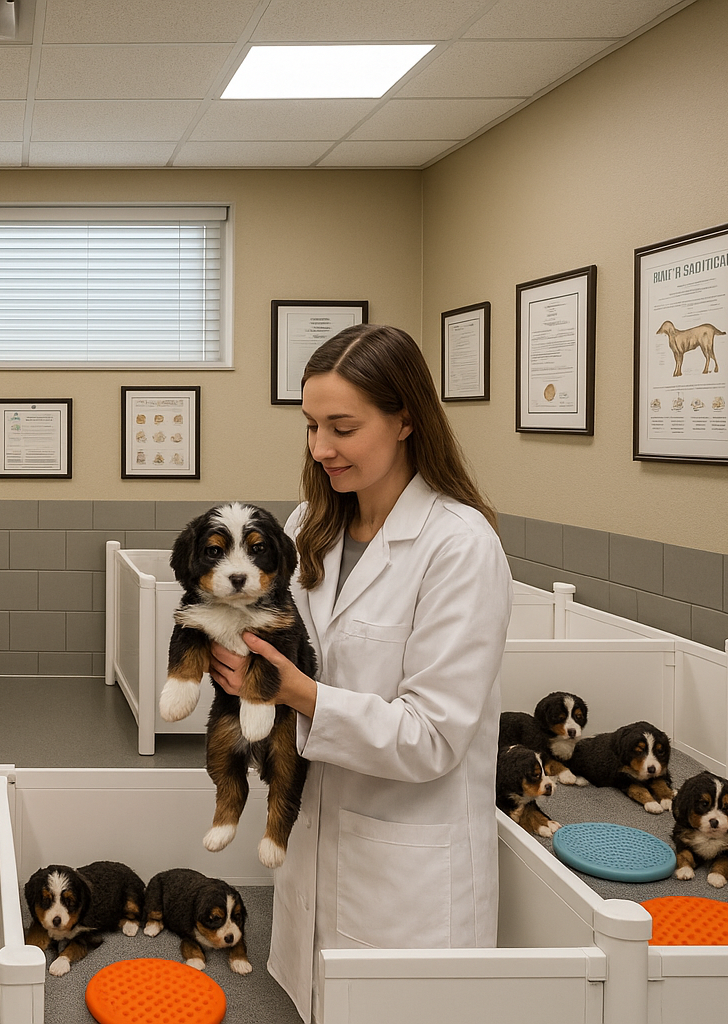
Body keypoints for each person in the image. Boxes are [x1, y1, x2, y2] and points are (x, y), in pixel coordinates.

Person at [208, 323, 512, 1023]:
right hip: (313, 837)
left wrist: (298, 693)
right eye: (313, 426)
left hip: (408, 875)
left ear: (406, 419)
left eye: (342, 427)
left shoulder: (459, 546)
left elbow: (433, 736)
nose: (320, 448)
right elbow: (290, 658)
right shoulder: (309, 523)